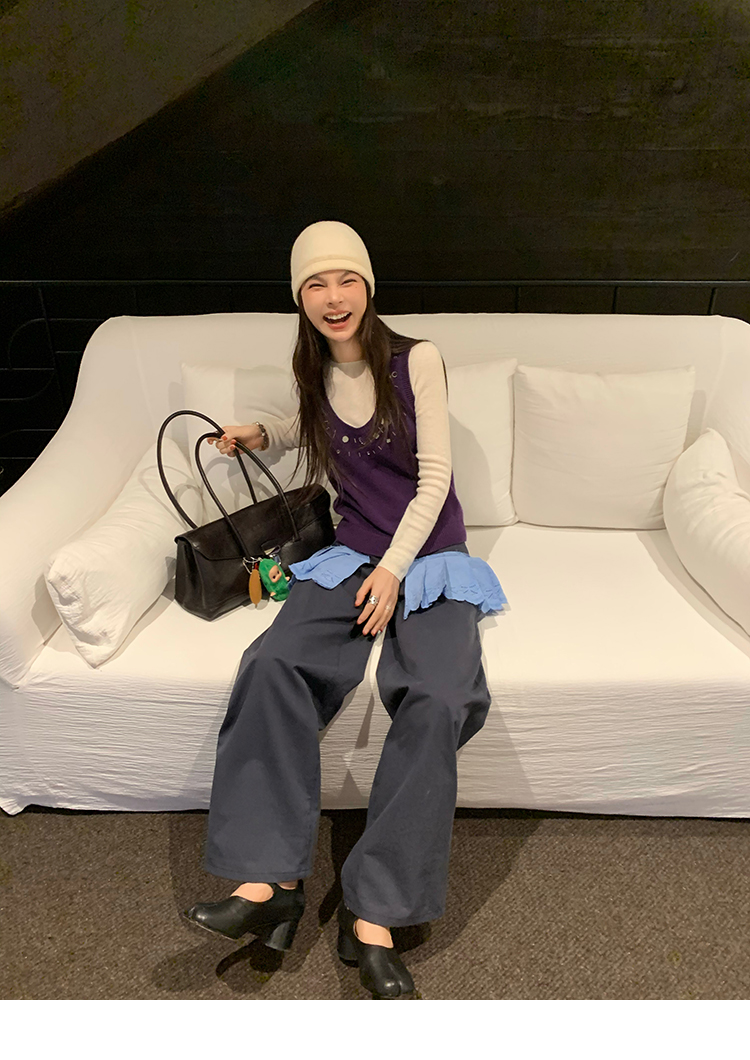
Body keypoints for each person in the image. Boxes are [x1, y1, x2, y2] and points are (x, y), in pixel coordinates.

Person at [183, 220, 508, 999]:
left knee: (437, 696)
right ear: (301, 298)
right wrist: (262, 433)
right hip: (352, 550)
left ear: (368, 286)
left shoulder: (416, 360)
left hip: (428, 556)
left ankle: (376, 913)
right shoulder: (311, 366)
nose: (334, 298)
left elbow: (435, 477)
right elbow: (316, 424)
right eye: (316, 285)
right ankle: (270, 883)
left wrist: (395, 571)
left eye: (346, 280)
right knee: (271, 662)